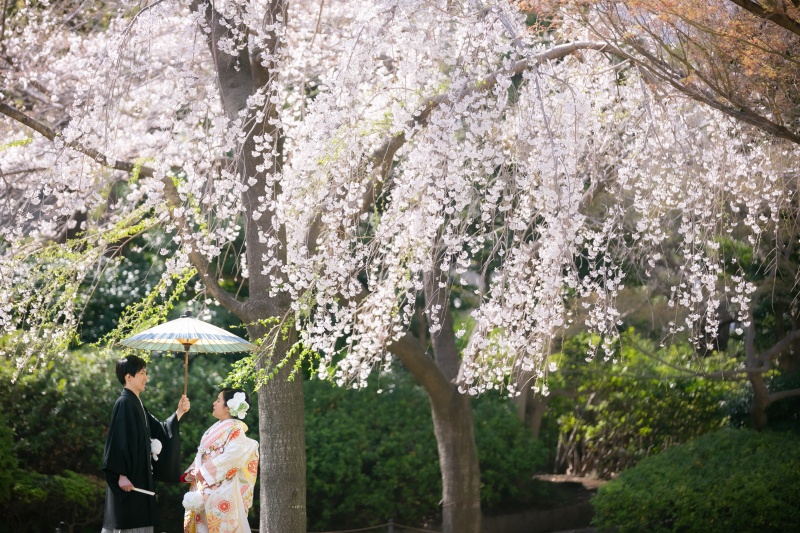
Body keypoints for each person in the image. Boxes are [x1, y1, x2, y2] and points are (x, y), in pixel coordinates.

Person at [102, 355, 190, 533]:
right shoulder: (124, 402)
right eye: (142, 373)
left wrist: (179, 412)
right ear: (128, 377)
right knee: (129, 524)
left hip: (140, 480)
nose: (146, 378)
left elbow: (161, 431)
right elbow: (118, 440)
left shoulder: (138, 405)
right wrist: (121, 475)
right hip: (128, 482)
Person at [181, 388, 259, 533]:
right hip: (203, 486)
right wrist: (193, 471)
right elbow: (201, 454)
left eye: (218, 400)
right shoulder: (213, 428)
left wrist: (203, 472)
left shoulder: (236, 429)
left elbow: (233, 457)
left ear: (228, 407)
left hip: (220, 490)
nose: (214, 403)